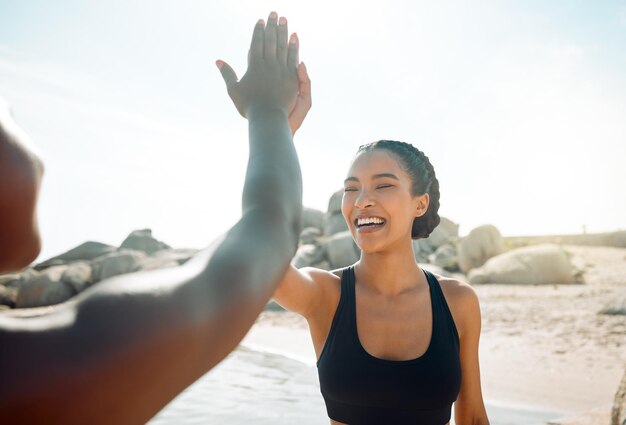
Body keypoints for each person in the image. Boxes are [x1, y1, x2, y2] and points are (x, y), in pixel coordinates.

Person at [0, 12, 311, 424]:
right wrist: (268, 111)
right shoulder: (37, 371)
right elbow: (271, 228)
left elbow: (270, 229)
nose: (30, 147)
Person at [273, 139, 490, 424]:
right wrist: (277, 126)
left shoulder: (458, 301)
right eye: (351, 189)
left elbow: (472, 416)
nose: (362, 200)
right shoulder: (325, 294)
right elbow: (261, 261)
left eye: (383, 185)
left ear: (420, 203)